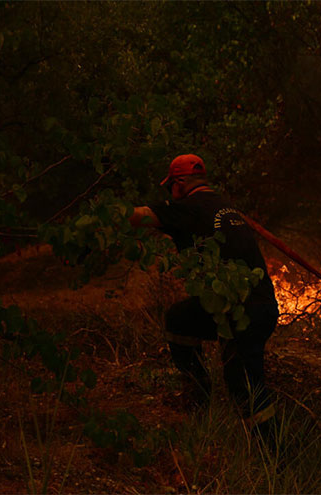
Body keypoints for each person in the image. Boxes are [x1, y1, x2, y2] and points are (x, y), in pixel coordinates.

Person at [130, 154, 279, 437]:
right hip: (256, 307)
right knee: (180, 318)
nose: (171, 195)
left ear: (180, 183)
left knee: (244, 384)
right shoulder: (227, 208)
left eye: (170, 187)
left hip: (242, 311)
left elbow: (140, 216)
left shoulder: (189, 208)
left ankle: (274, 456)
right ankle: (198, 395)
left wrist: (100, 215)